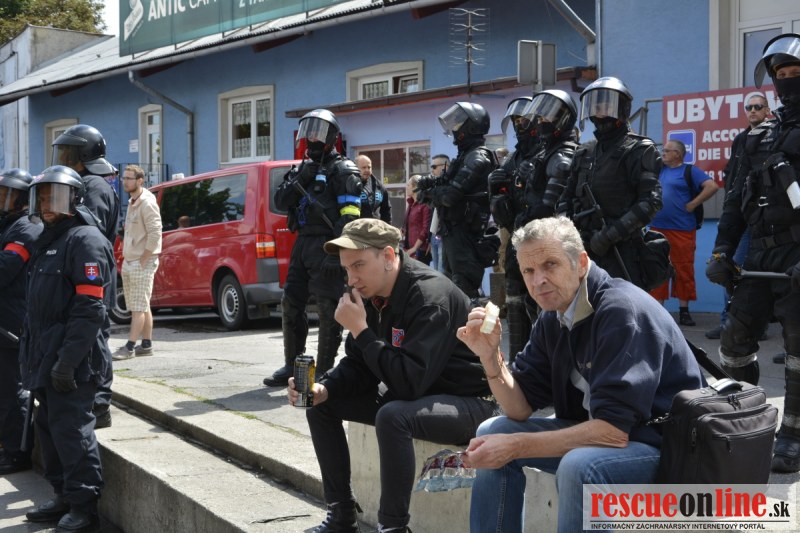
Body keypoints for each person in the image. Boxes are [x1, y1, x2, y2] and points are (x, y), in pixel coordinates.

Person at [458, 216, 704, 533]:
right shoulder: (554, 315)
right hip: (607, 435)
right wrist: (490, 357)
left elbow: (613, 432)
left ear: (581, 263)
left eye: (550, 265)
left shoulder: (620, 311)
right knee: (493, 430)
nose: (538, 280)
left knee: (579, 466)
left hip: (663, 448)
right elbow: (519, 408)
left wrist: (516, 446)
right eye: (528, 271)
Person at [291, 218, 496, 533]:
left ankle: (393, 527)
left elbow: (408, 384)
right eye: (346, 269)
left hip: (473, 404)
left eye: (358, 265)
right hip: (422, 396)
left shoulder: (429, 296)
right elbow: (359, 364)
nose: (351, 278)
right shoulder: (370, 293)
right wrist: (325, 388)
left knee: (393, 415)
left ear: (388, 256)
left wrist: (360, 330)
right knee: (320, 405)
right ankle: (342, 515)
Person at [706, 33, 800, 473]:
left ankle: (794, 435)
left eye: (796, 72)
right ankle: (747, 424)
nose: (788, 80)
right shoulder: (755, 139)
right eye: (782, 75)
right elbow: (733, 203)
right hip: (759, 255)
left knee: (798, 348)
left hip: (797, 253)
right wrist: (722, 251)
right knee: (734, 341)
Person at [21, 165, 114, 532]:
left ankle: (83, 506)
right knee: (49, 426)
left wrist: (67, 362)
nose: (47, 205)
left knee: (72, 430)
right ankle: (62, 494)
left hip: (74, 358)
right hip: (45, 354)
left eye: (55, 198)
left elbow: (90, 309)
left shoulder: (85, 240)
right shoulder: (48, 240)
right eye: (43, 198)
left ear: (74, 200)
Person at [263, 109, 362, 387]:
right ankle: (292, 365)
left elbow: (351, 216)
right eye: (309, 133)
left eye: (318, 133)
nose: (312, 139)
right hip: (303, 243)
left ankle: (324, 371)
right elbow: (280, 201)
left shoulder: (343, 169)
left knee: (328, 308)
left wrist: (338, 253)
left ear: (331, 137)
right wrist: (301, 179)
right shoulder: (301, 169)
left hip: (328, 244)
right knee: (290, 302)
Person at [489, 91, 578, 360]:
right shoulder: (519, 156)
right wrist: (499, 194)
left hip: (545, 239)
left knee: (545, 303)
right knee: (516, 298)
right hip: (519, 234)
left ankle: (549, 365)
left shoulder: (554, 153)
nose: (520, 125)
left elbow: (548, 205)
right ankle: (521, 361)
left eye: (523, 120)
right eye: (515, 121)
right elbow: (514, 197)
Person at [560, 76, 664, 291]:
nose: (599, 112)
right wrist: (566, 230)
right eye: (595, 106)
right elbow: (565, 198)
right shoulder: (584, 151)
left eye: (606, 106)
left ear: (622, 108)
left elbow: (650, 203)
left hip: (621, 250)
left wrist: (608, 236)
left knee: (621, 305)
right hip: (582, 247)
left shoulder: (639, 149)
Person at [52, 123, 120, 429]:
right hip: (79, 271)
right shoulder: (81, 183)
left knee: (96, 337)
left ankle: (100, 404)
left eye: (67, 153)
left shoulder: (94, 186)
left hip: (93, 273)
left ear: (83, 155)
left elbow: (90, 232)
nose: (62, 159)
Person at [705, 93, 772, 339]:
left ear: (767, 110)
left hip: (765, 218)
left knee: (756, 271)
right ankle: (730, 323)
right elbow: (732, 174)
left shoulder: (775, 136)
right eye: (749, 107)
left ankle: (754, 325)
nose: (752, 110)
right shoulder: (741, 139)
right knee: (730, 267)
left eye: (758, 106)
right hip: (739, 217)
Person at [419, 102, 497, 299]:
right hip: (452, 230)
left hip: (466, 233)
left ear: (471, 126)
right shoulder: (464, 156)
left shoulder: (477, 157)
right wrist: (432, 188)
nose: (455, 129)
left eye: (459, 123)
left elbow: (449, 197)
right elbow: (443, 188)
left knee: (464, 289)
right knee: (449, 288)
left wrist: (431, 193)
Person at [649, 139, 717, 326]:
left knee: (683, 269)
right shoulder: (658, 170)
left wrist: (693, 204)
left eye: (667, 150)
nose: (663, 153)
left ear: (677, 154)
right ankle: (657, 311)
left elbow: (712, 186)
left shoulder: (689, 171)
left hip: (682, 230)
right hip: (657, 228)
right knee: (657, 268)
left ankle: (684, 312)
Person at [0, 168, 40, 475]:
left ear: (21, 199)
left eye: (6, 194)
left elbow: (5, 269)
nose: (1, 199)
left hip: (13, 323)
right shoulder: (10, 224)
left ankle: (17, 453)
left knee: (12, 389)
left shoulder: (26, 228)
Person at [112, 164, 163, 360]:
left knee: (138, 308)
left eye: (129, 178)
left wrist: (144, 258)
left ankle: (130, 347)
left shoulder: (147, 203)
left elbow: (156, 233)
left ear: (140, 181)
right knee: (142, 305)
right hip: (131, 260)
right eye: (124, 178)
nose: (124, 182)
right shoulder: (134, 201)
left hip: (141, 262)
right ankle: (146, 344)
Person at [427, 154, 449, 273]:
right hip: (434, 233)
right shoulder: (435, 186)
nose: (432, 170)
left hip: (446, 234)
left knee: (442, 272)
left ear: (445, 166)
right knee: (436, 273)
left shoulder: (451, 186)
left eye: (434, 167)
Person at [402, 175, 432, 263]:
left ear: (415, 187)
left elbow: (425, 229)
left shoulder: (424, 205)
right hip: (409, 250)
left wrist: (415, 248)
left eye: (408, 185)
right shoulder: (411, 204)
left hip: (420, 251)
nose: (406, 187)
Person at [355, 155, 392, 223]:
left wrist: (387, 227)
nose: (367, 170)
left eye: (369, 167)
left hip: (376, 227)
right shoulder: (351, 185)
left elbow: (386, 210)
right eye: (364, 167)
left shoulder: (379, 186)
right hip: (357, 227)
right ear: (356, 168)